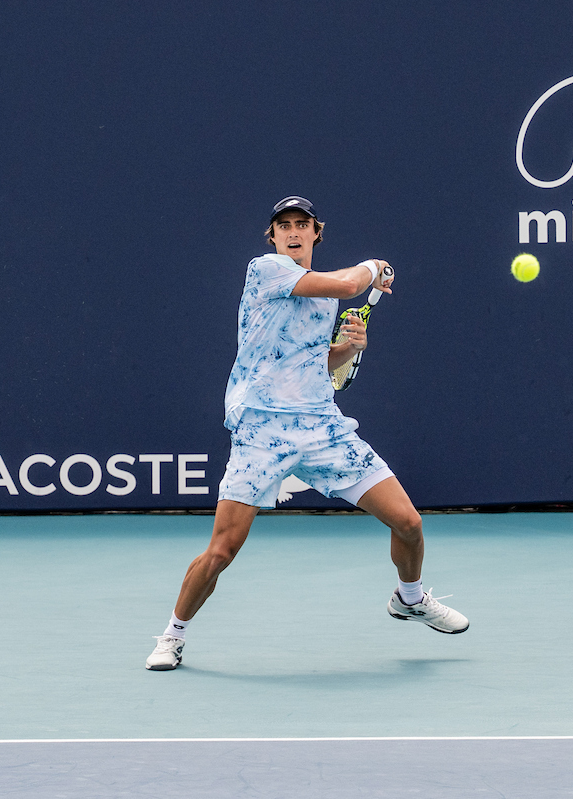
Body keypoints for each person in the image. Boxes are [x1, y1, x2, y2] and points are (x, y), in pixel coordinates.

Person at [146, 195, 468, 671]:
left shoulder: (321, 298)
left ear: (317, 232)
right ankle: (172, 636)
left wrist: (345, 348)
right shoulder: (266, 270)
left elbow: (318, 363)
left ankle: (410, 598)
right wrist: (372, 267)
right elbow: (347, 283)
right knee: (222, 550)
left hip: (321, 427)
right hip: (261, 429)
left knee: (410, 523)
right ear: (272, 237)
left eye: (302, 225)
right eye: (283, 226)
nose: (292, 232)